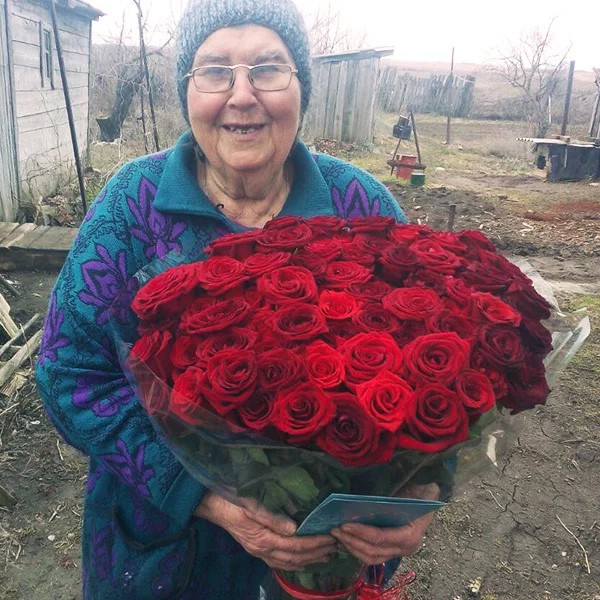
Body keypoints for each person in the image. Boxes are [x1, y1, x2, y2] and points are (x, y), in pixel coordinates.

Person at [35, 0, 440, 598]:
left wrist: (423, 489)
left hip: (332, 557)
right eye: (215, 71)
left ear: (301, 87)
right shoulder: (131, 206)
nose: (242, 95)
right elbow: (69, 372)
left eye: (269, 68)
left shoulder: (362, 207)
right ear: (187, 91)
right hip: (164, 556)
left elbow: (440, 371)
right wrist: (202, 495)